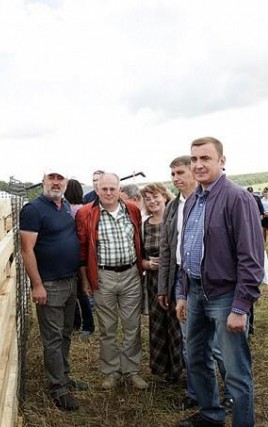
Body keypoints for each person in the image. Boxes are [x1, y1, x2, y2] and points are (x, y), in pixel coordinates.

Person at [176, 137, 264, 427]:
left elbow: (251, 258)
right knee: (196, 359)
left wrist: (240, 307)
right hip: (195, 292)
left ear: (222, 161)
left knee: (236, 373)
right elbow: (185, 250)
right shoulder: (192, 201)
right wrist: (182, 293)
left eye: (206, 158)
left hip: (226, 296)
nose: (198, 165)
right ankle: (211, 415)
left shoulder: (237, 198)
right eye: (194, 159)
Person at [158, 155, 232, 412]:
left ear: (192, 171)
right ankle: (196, 392)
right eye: (173, 174)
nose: (176, 178)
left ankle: (231, 392)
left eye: (180, 172)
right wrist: (164, 287)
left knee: (219, 346)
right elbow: (166, 249)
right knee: (191, 343)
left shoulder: (209, 201)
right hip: (183, 281)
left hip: (211, 281)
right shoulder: (172, 207)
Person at [19, 168, 87, 411]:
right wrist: (37, 284)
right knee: (53, 338)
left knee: (66, 333)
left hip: (69, 282)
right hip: (49, 284)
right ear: (43, 181)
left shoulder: (66, 206)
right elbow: (27, 250)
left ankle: (65, 377)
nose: (56, 183)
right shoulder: (33, 209)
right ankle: (58, 389)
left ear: (66, 183)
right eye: (52, 178)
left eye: (61, 179)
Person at [76, 172, 149, 390]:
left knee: (132, 325)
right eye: (103, 189)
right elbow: (81, 250)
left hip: (130, 275)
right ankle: (110, 372)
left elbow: (139, 240)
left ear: (119, 190)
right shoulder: (86, 213)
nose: (108, 193)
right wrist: (85, 280)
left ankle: (131, 370)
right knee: (107, 328)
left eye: (112, 189)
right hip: (103, 275)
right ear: (96, 190)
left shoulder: (132, 210)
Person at [140, 182, 182, 381]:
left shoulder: (175, 219)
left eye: (155, 196)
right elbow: (137, 257)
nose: (152, 201)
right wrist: (147, 264)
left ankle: (180, 369)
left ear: (164, 196)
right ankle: (163, 370)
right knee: (158, 323)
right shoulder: (144, 225)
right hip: (154, 281)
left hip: (175, 278)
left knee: (176, 323)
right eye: (147, 198)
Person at [64, 178, 95, 338]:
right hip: (83, 254)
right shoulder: (85, 208)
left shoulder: (68, 209)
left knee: (75, 292)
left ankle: (78, 322)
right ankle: (87, 323)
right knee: (81, 291)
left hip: (72, 254)